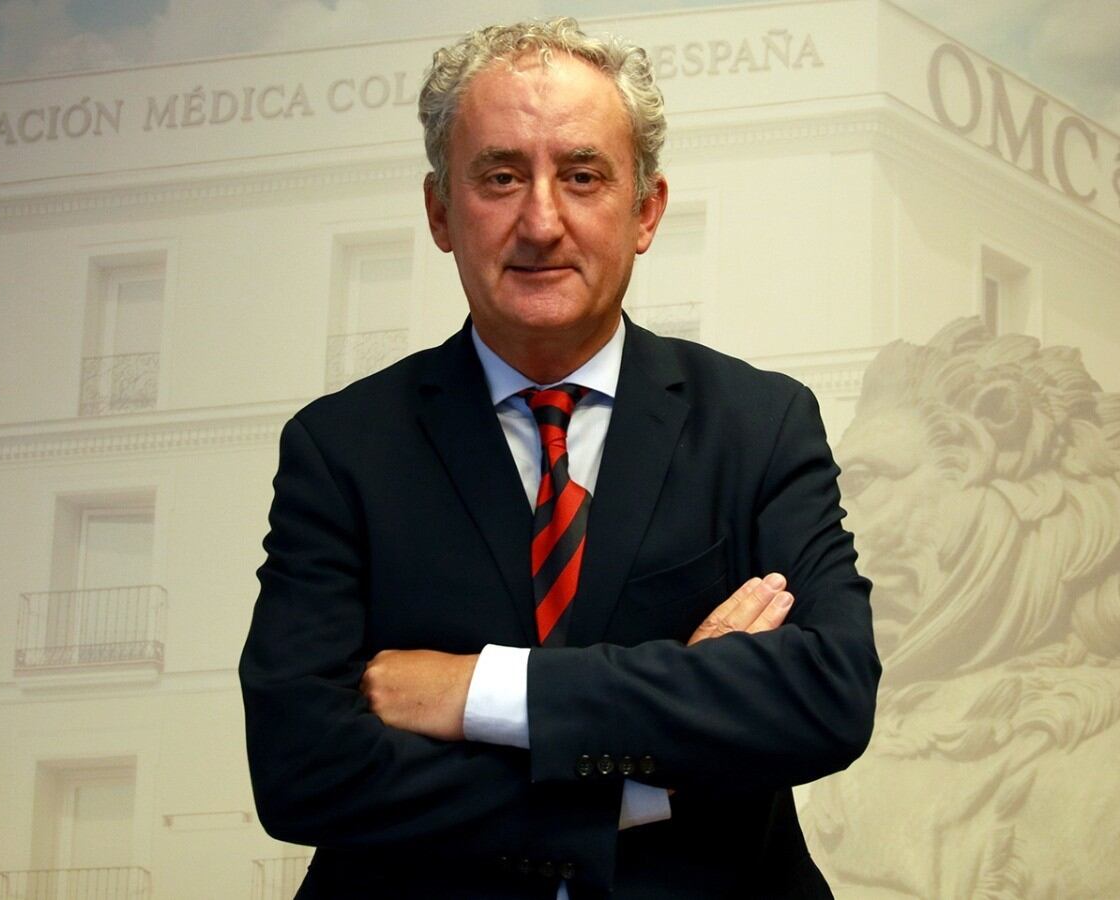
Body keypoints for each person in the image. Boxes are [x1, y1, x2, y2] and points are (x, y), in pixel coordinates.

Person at [240, 18, 878, 899]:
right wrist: (643, 777)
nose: (541, 222)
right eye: (501, 177)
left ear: (645, 210)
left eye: (582, 176)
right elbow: (300, 766)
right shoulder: (341, 448)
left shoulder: (760, 423)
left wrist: (480, 691)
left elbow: (826, 693)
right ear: (440, 212)